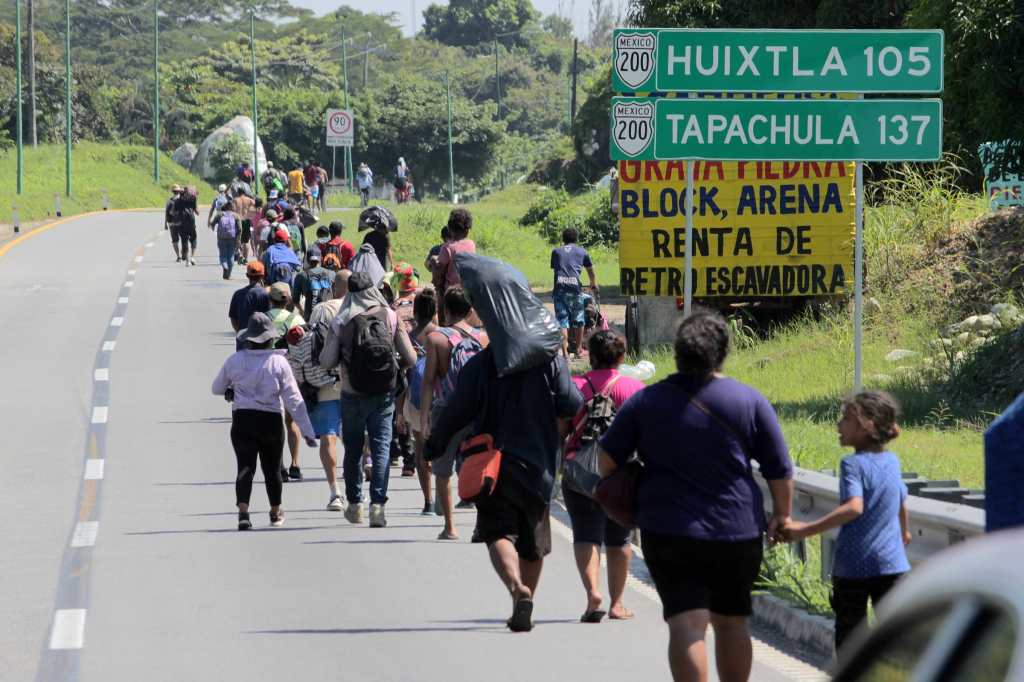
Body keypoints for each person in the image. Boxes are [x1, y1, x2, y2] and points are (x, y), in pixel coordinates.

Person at [597, 310, 794, 682]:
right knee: (733, 623)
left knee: (687, 625)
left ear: (678, 353)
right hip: (736, 531)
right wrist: (782, 515)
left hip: (668, 529)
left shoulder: (646, 402)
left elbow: (606, 462)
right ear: (723, 352)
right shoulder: (749, 401)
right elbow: (779, 468)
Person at [426, 285, 583, 631]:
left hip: (492, 464)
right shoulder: (549, 360)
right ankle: (525, 599)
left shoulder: (481, 364)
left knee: (497, 531)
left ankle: (516, 589)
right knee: (534, 542)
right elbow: (572, 403)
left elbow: (455, 412)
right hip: (539, 465)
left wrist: (433, 445)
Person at [779, 391, 910, 652]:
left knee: (850, 641)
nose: (839, 425)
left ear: (867, 425)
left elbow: (854, 506)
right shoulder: (892, 461)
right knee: (895, 641)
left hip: (854, 566)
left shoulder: (852, 464)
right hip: (891, 565)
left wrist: (805, 529)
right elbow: (901, 499)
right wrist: (904, 534)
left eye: (846, 419)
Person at [319, 271, 416, 529]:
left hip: (351, 394)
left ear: (349, 292)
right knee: (381, 449)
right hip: (384, 394)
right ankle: (378, 508)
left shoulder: (342, 320)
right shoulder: (390, 316)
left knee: (352, 450)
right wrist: (394, 366)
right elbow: (412, 358)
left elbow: (326, 361)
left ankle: (355, 505)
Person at [563, 330, 644, 623]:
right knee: (620, 539)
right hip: (621, 474)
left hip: (579, 473)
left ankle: (592, 594)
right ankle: (617, 604)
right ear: (622, 358)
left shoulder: (574, 387)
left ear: (591, 356)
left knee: (585, 534)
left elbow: (561, 431)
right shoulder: (635, 388)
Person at [212, 312, 317, 530]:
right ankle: (275, 510)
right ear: (271, 339)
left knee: (245, 466)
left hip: (243, 419)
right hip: (271, 420)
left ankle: (243, 512)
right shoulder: (278, 362)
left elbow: (216, 388)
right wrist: (307, 430)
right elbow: (294, 400)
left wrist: (233, 389)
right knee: (272, 468)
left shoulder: (235, 360)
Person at [420, 286, 487, 540]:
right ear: (470, 309)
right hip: (477, 410)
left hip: (446, 409)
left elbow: (428, 381)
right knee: (479, 464)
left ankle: (450, 527)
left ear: (444, 309)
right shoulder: (483, 338)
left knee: (442, 469)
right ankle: (481, 524)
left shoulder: (436, 339)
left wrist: (425, 418)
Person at [289, 270, 352, 511]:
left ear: (336, 287)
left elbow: (310, 343)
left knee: (328, 436)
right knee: (356, 436)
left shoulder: (323, 309)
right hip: (356, 382)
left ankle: (335, 492)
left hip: (326, 381)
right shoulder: (367, 307)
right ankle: (356, 488)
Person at [401, 287, 438, 515]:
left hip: (414, 399)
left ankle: (428, 500)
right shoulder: (442, 335)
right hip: (440, 398)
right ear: (435, 310)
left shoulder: (409, 336)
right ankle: (445, 490)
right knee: (443, 448)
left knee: (420, 448)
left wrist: (398, 411)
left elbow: (401, 373)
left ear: (415, 311)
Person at [268, 282, 306, 481]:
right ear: (288, 300)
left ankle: (279, 464)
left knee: (275, 422)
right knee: (291, 421)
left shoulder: (262, 319)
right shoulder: (296, 319)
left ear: (270, 299)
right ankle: (295, 463)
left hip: (267, 374)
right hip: (291, 373)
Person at [551, 227, 598, 358]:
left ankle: (565, 354)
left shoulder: (556, 252)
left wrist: (555, 292)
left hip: (560, 289)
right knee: (578, 319)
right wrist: (593, 283)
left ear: (563, 239)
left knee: (562, 321)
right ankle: (578, 350)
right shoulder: (582, 252)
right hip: (574, 289)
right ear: (576, 239)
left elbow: (556, 272)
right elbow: (590, 271)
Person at [432, 209, 475, 324]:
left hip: (449, 292)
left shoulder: (448, 247)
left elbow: (439, 271)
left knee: (445, 318)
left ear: (450, 229)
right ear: (468, 230)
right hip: (466, 290)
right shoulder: (471, 244)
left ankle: (443, 328)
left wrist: (433, 263)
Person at [229, 261, 271, 350]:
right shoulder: (266, 295)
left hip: (244, 340)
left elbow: (233, 318)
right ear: (263, 276)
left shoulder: (238, 294)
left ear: (247, 275)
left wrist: (240, 332)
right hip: (263, 339)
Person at [292, 248, 334, 321]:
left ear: (307, 260)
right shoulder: (332, 274)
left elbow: (295, 300)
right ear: (321, 258)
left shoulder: (301, 276)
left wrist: (302, 312)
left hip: (310, 316)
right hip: (330, 315)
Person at [212, 201, 241, 280]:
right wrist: (238, 239)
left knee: (222, 255)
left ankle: (225, 267)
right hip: (232, 238)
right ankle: (229, 275)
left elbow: (212, 224)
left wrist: (216, 231)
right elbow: (239, 229)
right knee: (231, 256)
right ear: (232, 207)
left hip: (221, 238)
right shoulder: (236, 216)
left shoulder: (220, 214)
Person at [175, 186, 199, 266]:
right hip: (191, 223)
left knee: (184, 241)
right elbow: (197, 212)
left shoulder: (177, 201)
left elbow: (174, 212)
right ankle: (192, 257)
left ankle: (187, 260)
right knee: (193, 239)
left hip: (182, 223)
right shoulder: (193, 200)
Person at [232, 190, 256, 264]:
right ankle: (245, 258)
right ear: (244, 193)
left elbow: (232, 209)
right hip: (246, 220)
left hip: (238, 220)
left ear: (238, 193)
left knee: (237, 239)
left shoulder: (236, 200)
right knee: (246, 241)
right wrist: (250, 213)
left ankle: (240, 254)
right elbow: (255, 206)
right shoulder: (249, 200)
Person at [165, 185, 184, 262]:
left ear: (172, 192)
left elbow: (166, 213)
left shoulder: (169, 201)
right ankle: (183, 253)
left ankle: (178, 256)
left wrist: (165, 224)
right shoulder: (182, 200)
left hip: (172, 224)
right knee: (184, 239)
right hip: (181, 223)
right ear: (179, 191)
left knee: (175, 240)